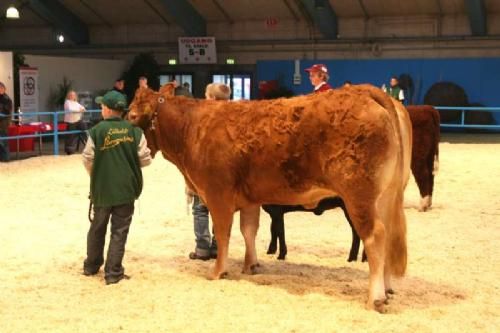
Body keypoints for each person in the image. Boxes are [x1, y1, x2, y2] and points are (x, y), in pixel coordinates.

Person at [82, 90, 151, 285]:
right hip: (126, 189)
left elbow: (87, 158)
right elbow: (145, 159)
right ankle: (113, 272)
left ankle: (91, 265)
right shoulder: (135, 132)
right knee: (119, 231)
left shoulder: (96, 131)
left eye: (102, 106)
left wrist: (96, 175)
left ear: (107, 109)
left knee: (97, 227)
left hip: (102, 189)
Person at [188, 83, 231, 261]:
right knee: (221, 208)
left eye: (206, 96)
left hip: (207, 169)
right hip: (228, 170)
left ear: (212, 98)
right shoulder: (233, 116)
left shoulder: (203, 118)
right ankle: (218, 246)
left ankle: (203, 248)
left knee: (200, 208)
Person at [63, 90, 87, 155]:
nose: (72, 96)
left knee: (85, 131)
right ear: (68, 96)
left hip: (78, 120)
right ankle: (69, 151)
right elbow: (70, 110)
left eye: (73, 95)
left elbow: (83, 108)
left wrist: (81, 109)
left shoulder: (76, 102)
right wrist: (79, 110)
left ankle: (89, 147)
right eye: (71, 95)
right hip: (70, 121)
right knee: (70, 136)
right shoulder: (67, 102)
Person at [0, 82, 13, 162]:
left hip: (3, 123)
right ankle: (2, 158)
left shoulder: (7, 99)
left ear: (4, 89)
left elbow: (7, 110)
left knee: (3, 141)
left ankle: (6, 158)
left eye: (1, 88)